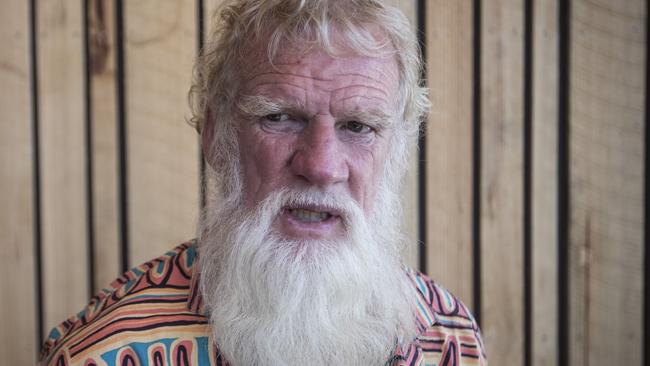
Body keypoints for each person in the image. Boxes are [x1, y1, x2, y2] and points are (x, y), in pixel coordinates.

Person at [40, 1, 487, 365]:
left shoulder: (447, 340)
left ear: (399, 151)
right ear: (216, 136)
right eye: (279, 117)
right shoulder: (106, 355)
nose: (322, 166)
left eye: (359, 126)